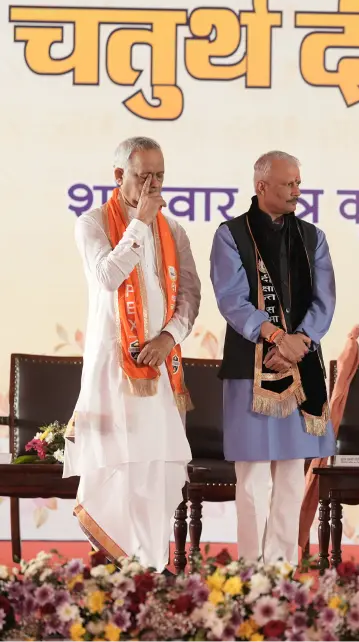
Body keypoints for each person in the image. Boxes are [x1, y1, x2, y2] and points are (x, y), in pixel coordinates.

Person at [63, 136, 200, 572]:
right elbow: (107, 276)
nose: (153, 184)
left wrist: (168, 338)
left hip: (159, 372)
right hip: (113, 371)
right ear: (119, 175)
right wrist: (139, 223)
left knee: (155, 475)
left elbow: (190, 295)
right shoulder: (92, 223)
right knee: (118, 470)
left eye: (160, 175)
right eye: (144, 176)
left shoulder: (173, 230)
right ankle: (117, 575)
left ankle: (152, 570)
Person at [210, 151, 336, 565]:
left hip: (302, 364)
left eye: (299, 183)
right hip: (250, 368)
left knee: (291, 475)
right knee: (251, 479)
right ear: (261, 186)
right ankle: (251, 569)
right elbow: (231, 300)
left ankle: (282, 569)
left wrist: (300, 342)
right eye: (288, 184)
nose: (297, 191)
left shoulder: (313, 237)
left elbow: (324, 301)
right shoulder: (231, 235)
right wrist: (277, 338)